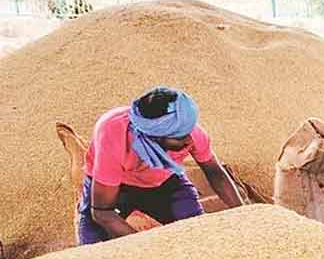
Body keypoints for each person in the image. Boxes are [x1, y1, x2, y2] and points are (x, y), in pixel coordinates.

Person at [77, 87, 243, 245]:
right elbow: (102, 212)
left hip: (163, 182)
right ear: (154, 137)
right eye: (179, 137)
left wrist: (244, 213)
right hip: (114, 188)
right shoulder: (113, 136)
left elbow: (216, 173)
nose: (189, 140)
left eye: (188, 131)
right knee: (93, 250)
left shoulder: (190, 133)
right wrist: (149, 248)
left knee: (196, 233)